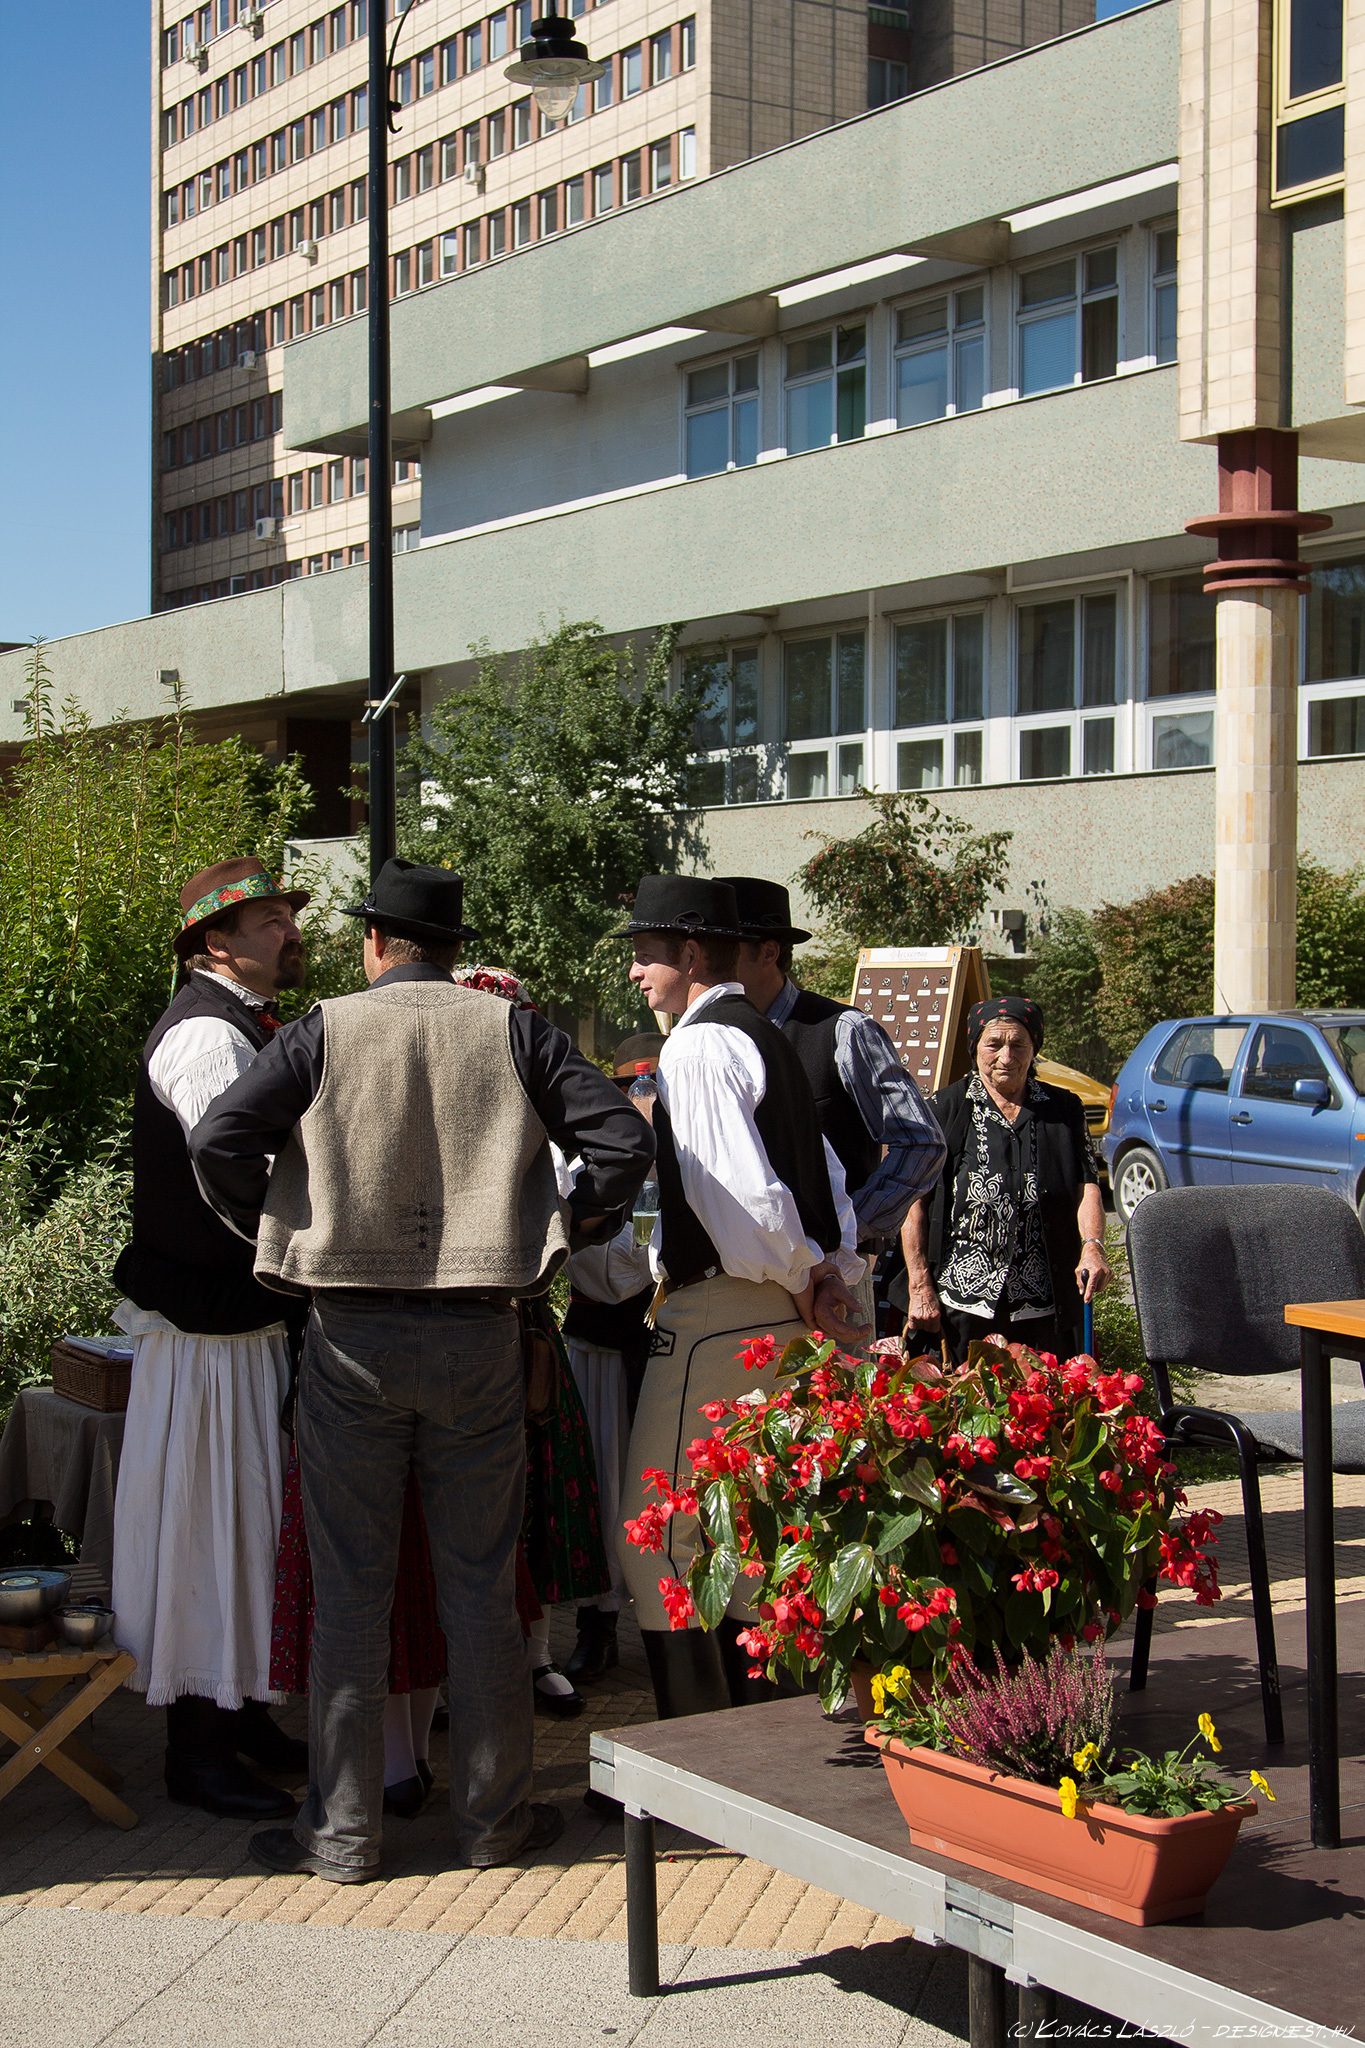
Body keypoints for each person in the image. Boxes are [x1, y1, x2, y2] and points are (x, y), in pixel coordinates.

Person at [189, 859, 654, 1883]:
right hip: (480, 1330)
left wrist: (283, 1230)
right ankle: (493, 1826)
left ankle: (342, 1834)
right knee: (482, 1589)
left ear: (374, 943)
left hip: (349, 1332)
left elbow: (220, 1138)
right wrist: (563, 1229)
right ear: (450, 947)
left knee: (351, 1593)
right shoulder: (512, 1029)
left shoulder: (321, 1029)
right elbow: (621, 1141)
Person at [616, 875, 866, 1720]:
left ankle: (697, 1745)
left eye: (645, 954)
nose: (634, 971)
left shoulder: (695, 1047)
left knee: (655, 1532)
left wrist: (802, 1276)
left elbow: (742, 1199)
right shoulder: (765, 1036)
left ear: (690, 953)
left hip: (725, 1312)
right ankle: (775, 1727)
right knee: (754, 1514)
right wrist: (825, 1272)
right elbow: (829, 1184)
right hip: (776, 1307)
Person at [110, 856, 312, 1820]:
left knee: (249, 1522)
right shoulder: (205, 1035)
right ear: (216, 944)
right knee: (207, 1528)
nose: (290, 932)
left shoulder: (240, 1025)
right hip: (207, 1337)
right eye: (269, 921)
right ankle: (195, 1750)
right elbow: (236, 1166)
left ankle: (240, 1715)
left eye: (286, 917)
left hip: (236, 1325)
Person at [721, 876, 947, 1337]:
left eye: (723, 948)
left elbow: (921, 1142)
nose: (707, 962)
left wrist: (848, 1229)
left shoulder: (842, 1030)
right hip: (741, 1282)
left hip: (832, 1280)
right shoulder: (716, 1037)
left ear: (768, 952)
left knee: (831, 1385)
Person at [900, 995, 1112, 1364]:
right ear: (975, 1047)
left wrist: (1092, 1246)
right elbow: (915, 1202)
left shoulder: (1063, 1109)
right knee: (966, 1394)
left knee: (1042, 1395)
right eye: (994, 1044)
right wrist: (919, 1286)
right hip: (962, 1303)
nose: (1006, 1056)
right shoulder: (944, 1108)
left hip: (1043, 1302)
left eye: (1018, 1045)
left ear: (1034, 1049)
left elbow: (1087, 1185)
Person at [559, 1035, 663, 1687]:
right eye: (633, 1090)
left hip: (659, 1352)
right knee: (598, 1486)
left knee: (659, 1488)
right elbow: (603, 1269)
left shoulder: (684, 1166)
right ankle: (596, 1625)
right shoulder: (587, 1165)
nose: (644, 1102)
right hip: (597, 1347)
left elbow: (638, 1265)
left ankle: (667, 1628)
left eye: (654, 1089)